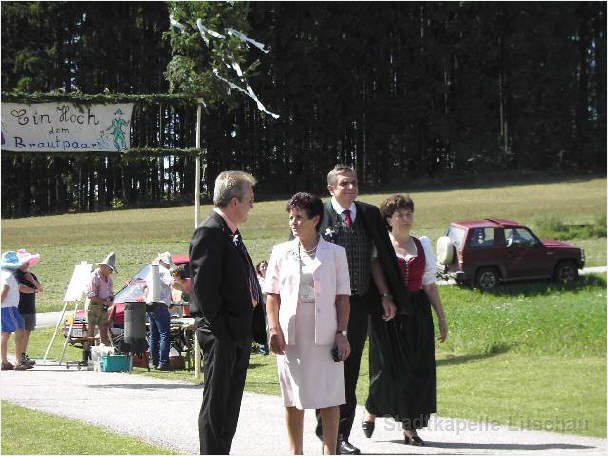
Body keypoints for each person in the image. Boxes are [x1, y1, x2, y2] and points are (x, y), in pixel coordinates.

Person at [315, 164, 408, 454]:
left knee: (349, 368)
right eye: (344, 184)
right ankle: (324, 429)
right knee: (326, 366)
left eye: (354, 182)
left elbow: (376, 259)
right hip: (324, 304)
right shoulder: (319, 214)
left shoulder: (368, 215)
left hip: (358, 303)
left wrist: (385, 295)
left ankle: (341, 434)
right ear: (331, 188)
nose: (351, 188)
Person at [265, 192, 352, 455]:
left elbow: (343, 298)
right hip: (291, 335)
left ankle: (330, 451)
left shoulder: (336, 253)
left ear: (315, 219)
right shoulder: (280, 252)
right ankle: (296, 452)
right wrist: (273, 328)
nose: (294, 222)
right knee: (293, 397)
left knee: (329, 397)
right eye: (291, 217)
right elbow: (272, 295)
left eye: (300, 217)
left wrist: (342, 333)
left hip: (326, 334)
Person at [189, 170, 267, 455]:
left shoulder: (231, 233)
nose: (252, 206)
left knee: (230, 407)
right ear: (234, 202)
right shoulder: (209, 232)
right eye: (250, 200)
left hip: (238, 334)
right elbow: (206, 292)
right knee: (217, 406)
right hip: (222, 335)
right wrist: (223, 333)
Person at [362, 194, 448, 446]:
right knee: (386, 368)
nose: (406, 218)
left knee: (416, 369)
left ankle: (410, 428)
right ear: (388, 219)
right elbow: (375, 271)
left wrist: (441, 317)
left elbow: (429, 284)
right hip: (387, 312)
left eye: (409, 213)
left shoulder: (422, 244)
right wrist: (386, 296)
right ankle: (372, 408)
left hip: (417, 311)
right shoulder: (381, 244)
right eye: (400, 214)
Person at [1, 251, 32, 370]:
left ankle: (4, 361)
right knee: (20, 331)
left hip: (6, 307)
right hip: (9, 307)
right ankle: (19, 361)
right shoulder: (8, 276)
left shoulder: (3, 274)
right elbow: (5, 290)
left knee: (5, 334)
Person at [14, 249, 42, 367]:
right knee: (19, 334)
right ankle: (18, 358)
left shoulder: (31, 275)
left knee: (27, 332)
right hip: (19, 308)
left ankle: (23, 355)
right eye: (24, 262)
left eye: (27, 262)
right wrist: (34, 290)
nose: (26, 264)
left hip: (30, 308)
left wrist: (32, 281)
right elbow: (22, 288)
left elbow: (41, 288)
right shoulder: (16, 275)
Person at [147, 251, 174, 371]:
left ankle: (155, 361)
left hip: (150, 304)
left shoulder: (151, 271)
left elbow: (145, 287)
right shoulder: (164, 271)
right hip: (161, 304)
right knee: (164, 334)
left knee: (153, 336)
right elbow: (171, 282)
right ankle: (163, 362)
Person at [85, 252, 116, 354]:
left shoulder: (109, 279)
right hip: (93, 306)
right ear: (104, 267)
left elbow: (111, 293)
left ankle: (102, 355)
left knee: (104, 331)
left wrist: (110, 299)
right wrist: (104, 302)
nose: (111, 272)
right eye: (110, 269)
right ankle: (87, 355)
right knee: (91, 332)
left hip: (103, 307)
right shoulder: (94, 277)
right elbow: (91, 296)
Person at [254, 260, 269, 355]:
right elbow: (261, 292)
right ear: (259, 269)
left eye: (266, 266)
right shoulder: (259, 280)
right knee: (263, 326)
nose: (264, 268)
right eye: (262, 266)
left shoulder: (272, 277)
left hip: (272, 304)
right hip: (262, 305)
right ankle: (263, 348)